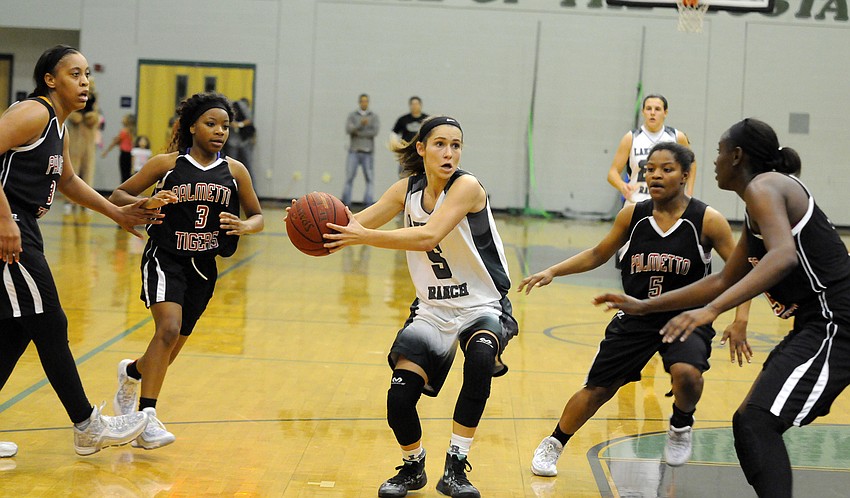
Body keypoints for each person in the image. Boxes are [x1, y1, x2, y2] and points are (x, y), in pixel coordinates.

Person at [594, 119, 850, 498]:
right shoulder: (757, 203)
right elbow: (721, 280)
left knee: (756, 423)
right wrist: (646, 306)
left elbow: (782, 257)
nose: (712, 161)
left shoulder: (765, 186)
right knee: (750, 423)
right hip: (817, 324)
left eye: (717, 151)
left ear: (737, 156)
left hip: (835, 322)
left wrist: (710, 311)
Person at [520, 142, 751, 477]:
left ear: (685, 175)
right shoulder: (633, 215)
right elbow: (599, 253)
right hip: (636, 315)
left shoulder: (708, 220)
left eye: (667, 169)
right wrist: (553, 270)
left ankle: (681, 424)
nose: (656, 175)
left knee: (687, 374)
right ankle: (554, 442)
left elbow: (741, 273)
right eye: (650, 169)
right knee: (597, 389)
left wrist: (740, 319)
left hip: (686, 318)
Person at [323, 116, 517, 498]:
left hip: (482, 304)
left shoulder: (467, 187)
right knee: (398, 399)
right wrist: (315, 227)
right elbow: (353, 225)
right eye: (441, 144)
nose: (449, 152)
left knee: (479, 360)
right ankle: (413, 467)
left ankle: (456, 468)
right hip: (432, 308)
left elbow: (428, 235)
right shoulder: (405, 191)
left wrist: (364, 236)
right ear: (422, 148)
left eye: (456, 145)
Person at [0, 45, 160, 457]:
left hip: (24, 224)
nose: (85, 81)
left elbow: (68, 181)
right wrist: (3, 219)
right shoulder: (34, 112)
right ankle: (87, 425)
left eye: (87, 73)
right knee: (51, 323)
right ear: (50, 80)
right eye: (74, 73)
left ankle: (87, 426)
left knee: (17, 329)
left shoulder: (59, 128)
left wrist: (117, 212)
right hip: (8, 222)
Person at [109, 92, 264, 449]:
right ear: (191, 126)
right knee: (168, 328)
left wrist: (245, 227)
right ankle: (145, 418)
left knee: (171, 346)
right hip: (165, 256)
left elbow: (257, 215)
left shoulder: (235, 171)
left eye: (225, 126)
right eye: (211, 124)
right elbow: (118, 196)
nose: (219, 131)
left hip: (204, 267)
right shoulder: (166, 165)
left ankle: (132, 373)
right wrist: (144, 202)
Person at [607, 94, 696, 206]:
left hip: (668, 204)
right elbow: (612, 173)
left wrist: (688, 193)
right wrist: (622, 186)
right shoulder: (631, 137)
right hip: (636, 202)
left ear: (665, 113)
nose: (652, 113)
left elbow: (691, 164)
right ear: (643, 111)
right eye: (649, 109)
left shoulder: (677, 137)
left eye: (657, 109)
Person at [65, 79, 100, 213]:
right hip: (74, 142)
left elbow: (95, 116)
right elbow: (71, 115)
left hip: (89, 142)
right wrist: (76, 116)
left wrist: (92, 117)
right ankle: (69, 201)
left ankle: (87, 202)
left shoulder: (94, 99)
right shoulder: (73, 97)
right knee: (72, 171)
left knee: (88, 171)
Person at [342, 93, 379, 207]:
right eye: (362, 101)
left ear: (368, 102)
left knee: (369, 179)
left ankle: (368, 204)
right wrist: (360, 124)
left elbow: (374, 132)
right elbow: (349, 129)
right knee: (349, 178)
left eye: (366, 101)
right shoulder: (353, 116)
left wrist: (358, 132)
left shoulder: (373, 116)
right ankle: (346, 203)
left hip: (368, 152)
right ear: (359, 102)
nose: (364, 103)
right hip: (354, 151)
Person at [391, 96, 428, 176]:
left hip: (421, 151)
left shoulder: (426, 119)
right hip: (407, 151)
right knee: (404, 173)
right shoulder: (403, 119)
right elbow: (394, 133)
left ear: (420, 105)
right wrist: (398, 145)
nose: (415, 106)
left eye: (417, 104)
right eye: (413, 104)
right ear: (410, 106)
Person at [223, 97, 255, 177]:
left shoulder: (242, 108)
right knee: (231, 165)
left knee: (247, 165)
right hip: (232, 142)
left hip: (243, 140)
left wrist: (239, 124)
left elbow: (249, 120)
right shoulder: (229, 107)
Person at [102, 113, 136, 184]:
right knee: (129, 174)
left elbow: (115, 142)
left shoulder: (124, 131)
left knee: (124, 174)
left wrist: (106, 151)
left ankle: (123, 190)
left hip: (124, 154)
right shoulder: (133, 131)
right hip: (131, 155)